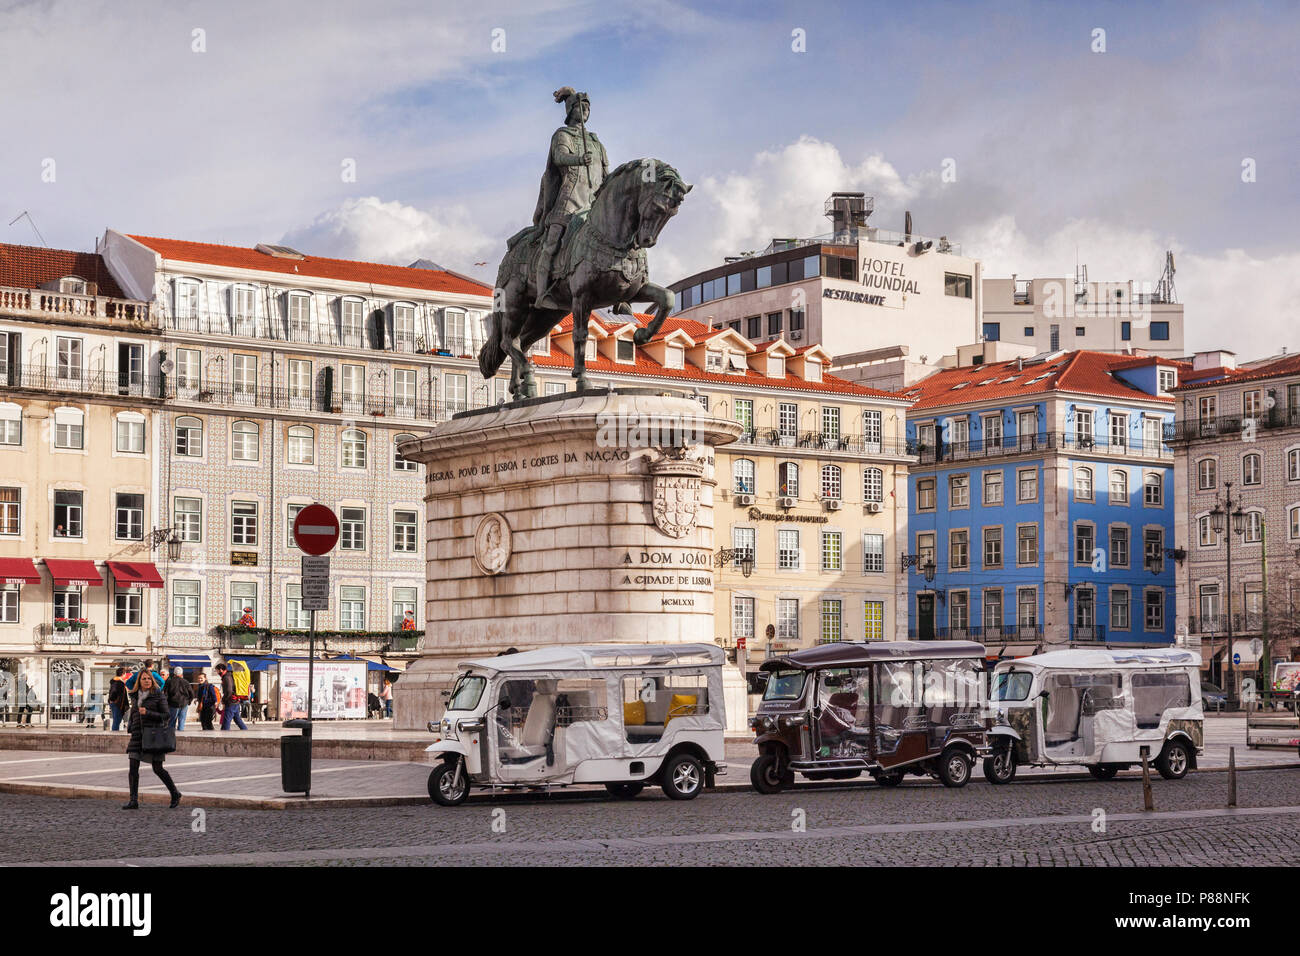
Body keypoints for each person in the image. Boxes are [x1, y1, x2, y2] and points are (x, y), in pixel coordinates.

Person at [531, 86, 608, 308]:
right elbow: (559, 156)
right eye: (581, 107)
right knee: (551, 242)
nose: (585, 111)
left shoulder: (596, 143)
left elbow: (606, 173)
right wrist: (578, 160)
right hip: (569, 201)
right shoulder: (562, 135)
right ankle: (542, 294)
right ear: (571, 110)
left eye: (588, 108)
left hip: (593, 203)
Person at [122, 670, 181, 810]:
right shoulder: (135, 696)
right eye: (144, 679)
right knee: (133, 767)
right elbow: (134, 713)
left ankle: (175, 793)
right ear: (139, 681)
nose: (147, 681)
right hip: (137, 735)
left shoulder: (158, 695)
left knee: (158, 768)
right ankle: (133, 800)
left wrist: (148, 713)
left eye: (149, 678)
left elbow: (166, 715)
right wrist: (130, 725)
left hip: (153, 735)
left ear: (153, 681)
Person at [216, 663, 247, 731]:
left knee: (226, 720)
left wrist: (224, 699)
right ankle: (245, 730)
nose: (217, 672)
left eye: (217, 670)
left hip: (231, 701)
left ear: (221, 670)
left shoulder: (226, 677)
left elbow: (229, 690)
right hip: (235, 701)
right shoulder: (229, 675)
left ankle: (224, 733)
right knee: (237, 719)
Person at [107, 667, 129, 731]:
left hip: (116, 703)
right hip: (117, 703)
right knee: (116, 721)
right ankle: (114, 734)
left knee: (117, 720)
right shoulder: (118, 682)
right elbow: (114, 692)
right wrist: (112, 700)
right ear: (123, 674)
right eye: (125, 674)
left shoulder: (117, 681)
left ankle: (115, 732)